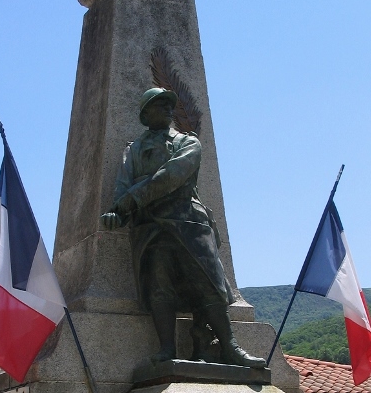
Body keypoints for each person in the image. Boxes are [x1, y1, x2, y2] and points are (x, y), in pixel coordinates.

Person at [101, 87, 265, 368]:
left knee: (210, 285)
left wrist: (128, 202)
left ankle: (230, 345)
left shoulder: (188, 143)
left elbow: (170, 176)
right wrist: (117, 215)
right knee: (158, 288)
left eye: (169, 105)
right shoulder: (133, 151)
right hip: (151, 229)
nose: (167, 109)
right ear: (145, 114)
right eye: (159, 105)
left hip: (189, 221)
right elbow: (121, 191)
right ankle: (167, 348)